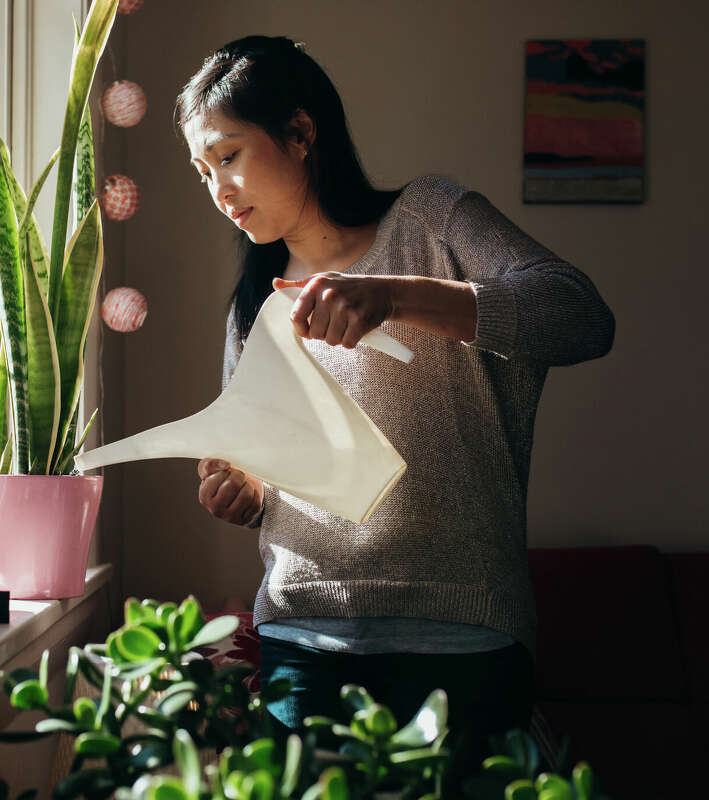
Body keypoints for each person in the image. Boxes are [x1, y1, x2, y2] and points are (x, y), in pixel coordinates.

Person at [175, 35, 615, 792]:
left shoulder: (433, 219)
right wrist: (242, 491)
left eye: (229, 155)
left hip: (463, 636)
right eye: (202, 170)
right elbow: (256, 471)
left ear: (301, 134)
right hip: (299, 640)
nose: (218, 188)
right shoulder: (255, 299)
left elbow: (580, 316)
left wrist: (395, 295)